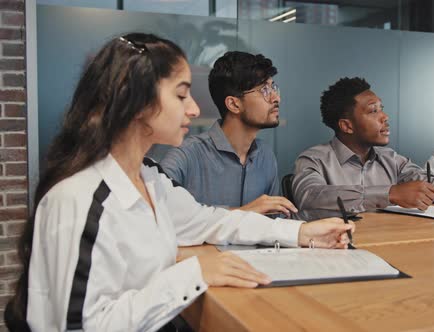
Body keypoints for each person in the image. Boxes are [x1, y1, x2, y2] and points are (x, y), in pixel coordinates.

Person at [4, 34, 352, 332]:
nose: (193, 108)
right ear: (137, 103)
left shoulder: (149, 178)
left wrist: (302, 234)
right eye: (182, 95)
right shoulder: (79, 201)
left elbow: (210, 220)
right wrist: (192, 273)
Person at [292, 77, 434, 216]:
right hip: (337, 252)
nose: (385, 117)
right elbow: (310, 196)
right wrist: (390, 193)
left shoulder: (392, 159)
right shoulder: (313, 159)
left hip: (394, 244)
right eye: (373, 111)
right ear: (347, 125)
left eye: (382, 109)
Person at [161, 51, 296, 216]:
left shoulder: (266, 156)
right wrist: (243, 213)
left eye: (273, 87)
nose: (276, 98)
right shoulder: (187, 155)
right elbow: (158, 214)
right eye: (264, 90)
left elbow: (274, 222)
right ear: (233, 104)